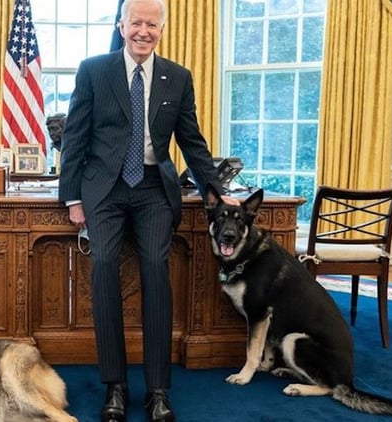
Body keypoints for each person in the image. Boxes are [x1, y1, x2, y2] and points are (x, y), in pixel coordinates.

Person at [57, 1, 238, 420]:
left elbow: (191, 141)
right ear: (122, 26)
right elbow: (76, 137)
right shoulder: (94, 70)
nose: (143, 31)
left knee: (156, 268)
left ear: (162, 28)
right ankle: (114, 387)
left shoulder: (177, 77)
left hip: (155, 188)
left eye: (151, 24)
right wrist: (73, 198)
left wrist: (215, 188)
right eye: (136, 22)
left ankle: (158, 390)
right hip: (104, 188)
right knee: (103, 264)